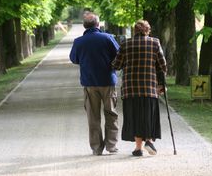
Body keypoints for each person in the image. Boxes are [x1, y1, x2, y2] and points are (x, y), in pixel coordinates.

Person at [112, 19, 167, 157]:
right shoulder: (155, 42)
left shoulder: (125, 44)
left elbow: (117, 65)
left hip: (131, 88)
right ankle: (148, 141)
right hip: (149, 87)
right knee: (148, 114)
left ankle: (138, 148)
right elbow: (163, 66)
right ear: (148, 30)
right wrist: (162, 84)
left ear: (135, 31)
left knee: (134, 116)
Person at [69, 12, 120, 155]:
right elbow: (119, 55)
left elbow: (74, 59)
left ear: (84, 26)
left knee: (93, 117)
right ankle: (111, 145)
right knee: (111, 114)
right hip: (107, 81)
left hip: (89, 83)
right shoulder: (108, 38)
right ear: (98, 24)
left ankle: (97, 148)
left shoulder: (78, 42)